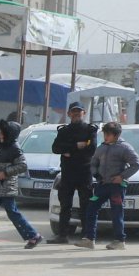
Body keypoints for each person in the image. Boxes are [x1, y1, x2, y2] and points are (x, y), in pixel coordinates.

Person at [0, 119, 42, 249]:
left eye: (2, 133)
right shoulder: (0, 149)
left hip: (7, 188)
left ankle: (33, 236)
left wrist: (6, 172)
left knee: (13, 213)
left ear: (9, 134)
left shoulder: (15, 149)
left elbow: (22, 165)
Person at [80, 121, 139, 250]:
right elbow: (93, 162)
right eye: (104, 134)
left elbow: (136, 164)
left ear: (116, 135)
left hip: (117, 187)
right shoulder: (101, 147)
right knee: (91, 207)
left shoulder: (125, 148)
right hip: (102, 185)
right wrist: (96, 174)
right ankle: (89, 239)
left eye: (108, 134)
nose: (105, 137)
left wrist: (121, 177)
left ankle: (119, 240)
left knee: (116, 212)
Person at [48, 102, 98, 244]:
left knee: (86, 205)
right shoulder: (64, 131)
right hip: (68, 172)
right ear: (69, 114)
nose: (76, 114)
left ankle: (86, 235)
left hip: (84, 172)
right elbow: (56, 148)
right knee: (65, 205)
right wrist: (76, 146)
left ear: (84, 113)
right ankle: (62, 235)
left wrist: (69, 151)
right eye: (73, 112)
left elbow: (91, 149)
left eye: (79, 112)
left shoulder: (90, 130)